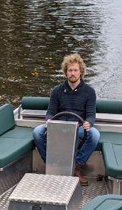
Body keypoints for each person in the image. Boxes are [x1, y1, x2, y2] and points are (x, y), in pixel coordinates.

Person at [32, 53, 99, 186]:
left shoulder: (89, 92)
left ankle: (76, 167)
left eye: (75, 70)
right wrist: (49, 120)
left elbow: (91, 114)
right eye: (70, 70)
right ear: (65, 72)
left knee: (95, 135)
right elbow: (51, 112)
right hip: (59, 125)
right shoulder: (57, 91)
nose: (72, 73)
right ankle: (52, 164)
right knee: (37, 132)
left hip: (78, 128)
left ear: (81, 72)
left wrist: (88, 123)